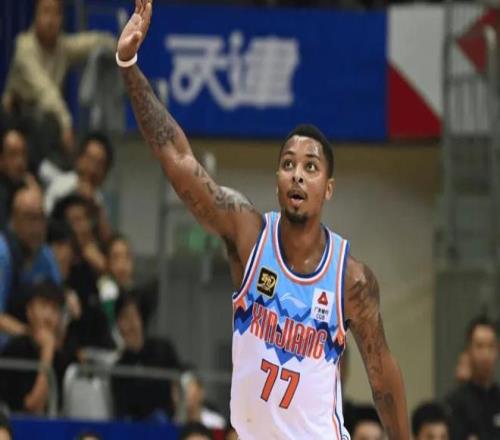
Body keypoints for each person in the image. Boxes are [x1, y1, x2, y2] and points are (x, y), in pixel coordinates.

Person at [116, 1, 409, 438]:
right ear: (277, 181)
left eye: (311, 167)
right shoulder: (249, 235)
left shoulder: (351, 280)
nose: (297, 174)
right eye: (288, 164)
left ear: (328, 188)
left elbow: (382, 377)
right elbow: (179, 159)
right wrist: (128, 65)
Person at [2, 0, 115, 159]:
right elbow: (44, 90)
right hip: (16, 118)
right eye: (46, 12)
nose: (51, 19)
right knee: (49, 128)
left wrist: (119, 46)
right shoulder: (24, 46)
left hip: (46, 119)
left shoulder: (62, 46)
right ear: (36, 16)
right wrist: (65, 123)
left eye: (56, 13)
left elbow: (91, 42)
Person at [0, 281, 76, 414]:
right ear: (29, 311)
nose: (48, 315)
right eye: (43, 306)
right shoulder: (15, 351)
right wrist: (47, 351)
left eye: (54, 309)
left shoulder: (63, 357)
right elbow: (32, 407)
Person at [0, 186, 61, 342]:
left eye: (41, 218)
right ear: (13, 220)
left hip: (37, 342)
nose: (37, 226)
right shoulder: (2, 253)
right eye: (30, 218)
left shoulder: (46, 255)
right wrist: (31, 337)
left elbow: (58, 302)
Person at [111, 293, 180, 421]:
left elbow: (179, 383)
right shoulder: (119, 367)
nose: (126, 325)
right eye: (122, 318)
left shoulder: (163, 350)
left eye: (131, 317)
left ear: (142, 318)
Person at [44, 132, 115, 243]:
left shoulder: (99, 199)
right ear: (78, 159)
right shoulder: (61, 185)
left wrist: (96, 208)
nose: (93, 168)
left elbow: (108, 242)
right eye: (90, 159)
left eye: (99, 163)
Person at [446, 316, 500, 440]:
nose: (485, 354)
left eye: (491, 346)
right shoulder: (456, 403)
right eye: (479, 346)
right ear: (469, 350)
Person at [0, 126, 38, 230]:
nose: (20, 162)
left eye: (23, 153)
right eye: (13, 154)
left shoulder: (28, 185)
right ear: (1, 159)